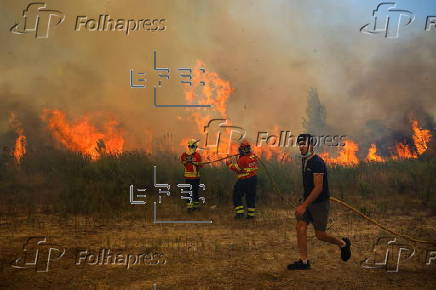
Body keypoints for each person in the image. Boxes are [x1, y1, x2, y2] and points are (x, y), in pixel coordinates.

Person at [287, 134, 351, 270]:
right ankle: (304, 262)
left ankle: (342, 244)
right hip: (308, 202)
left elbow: (318, 188)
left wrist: (304, 205)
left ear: (311, 145)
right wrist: (303, 200)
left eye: (303, 144)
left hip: (319, 203)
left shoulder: (317, 162)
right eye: (299, 144)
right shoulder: (305, 160)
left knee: (320, 235)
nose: (301, 147)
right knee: (300, 227)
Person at [226, 140, 258, 219]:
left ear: (242, 149)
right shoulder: (253, 156)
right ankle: (251, 215)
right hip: (253, 179)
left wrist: (229, 163)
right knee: (250, 197)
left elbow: (237, 169)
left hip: (244, 180)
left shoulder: (243, 159)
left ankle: (239, 214)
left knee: (236, 196)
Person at [180, 139, 203, 211]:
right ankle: (195, 207)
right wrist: (197, 163)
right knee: (195, 192)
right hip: (195, 177)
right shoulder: (197, 155)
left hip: (187, 177)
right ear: (194, 146)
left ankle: (189, 207)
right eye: (196, 146)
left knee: (188, 192)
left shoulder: (183, 155)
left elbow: (183, 162)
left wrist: (190, 161)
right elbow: (200, 166)